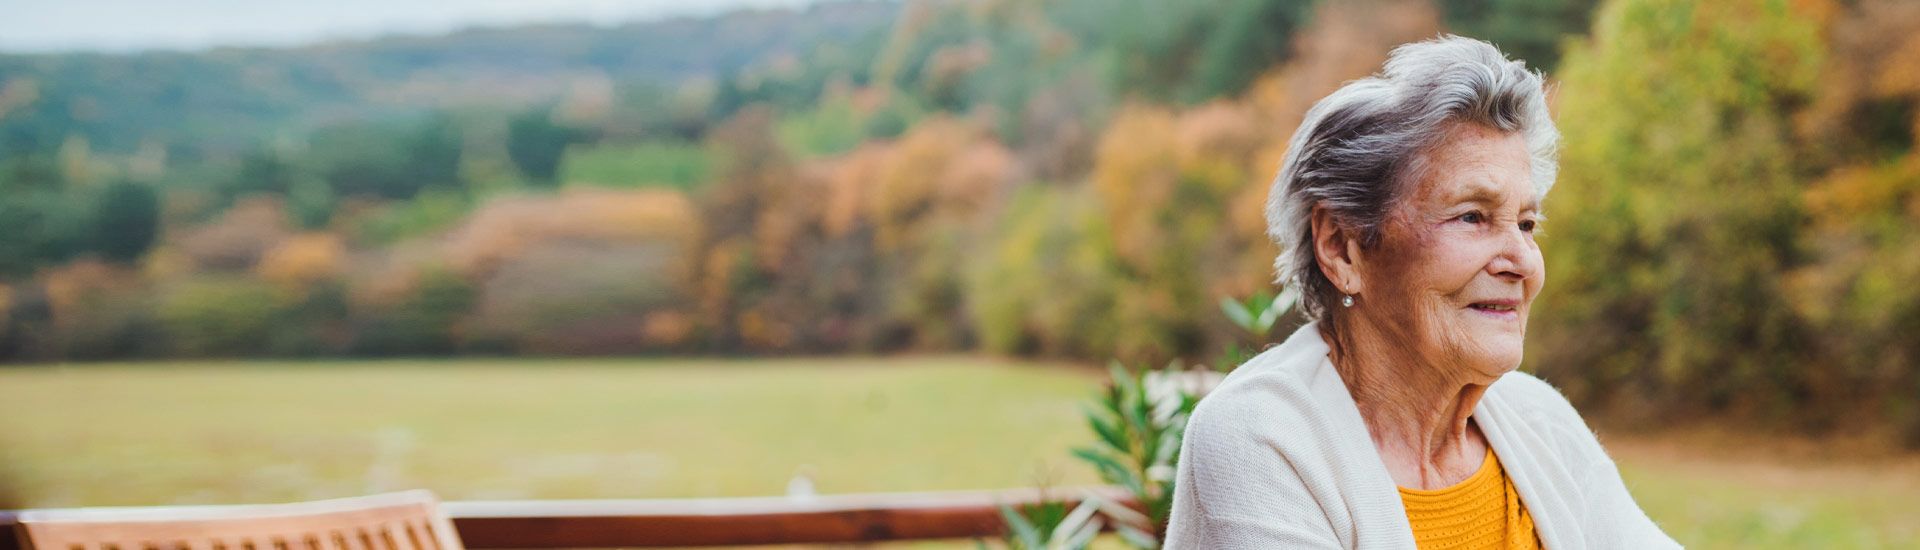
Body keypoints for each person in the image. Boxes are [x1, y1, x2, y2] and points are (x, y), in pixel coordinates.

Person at [1163, 35, 1679, 549]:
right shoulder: (1263, 437)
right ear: (1343, 247)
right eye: (1472, 216)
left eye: (1526, 223)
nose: (1522, 261)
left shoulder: (1540, 420)